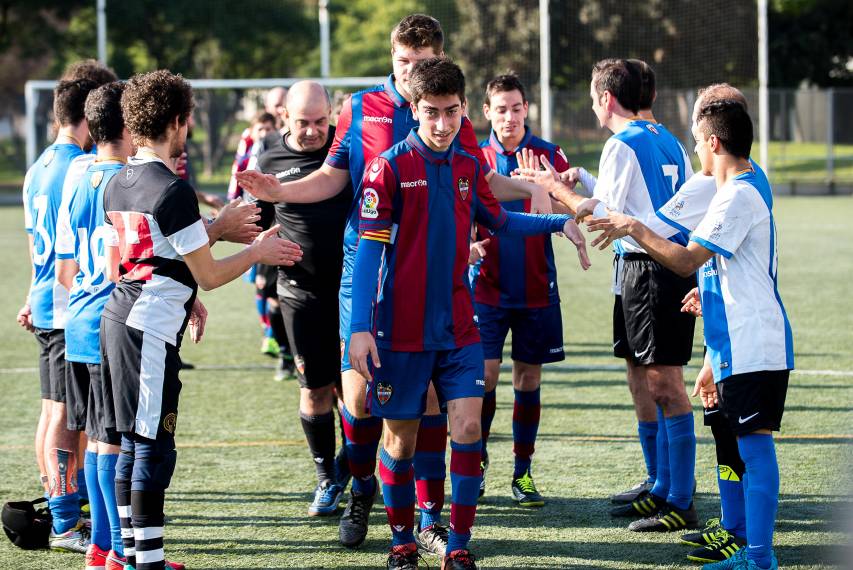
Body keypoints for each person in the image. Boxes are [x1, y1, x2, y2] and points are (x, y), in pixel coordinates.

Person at [237, 14, 554, 554]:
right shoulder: (360, 110)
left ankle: (427, 520)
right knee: (359, 402)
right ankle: (362, 489)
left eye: (422, 63)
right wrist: (280, 192)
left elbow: (477, 182)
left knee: (431, 401)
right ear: (391, 58)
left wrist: (537, 190)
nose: (411, 73)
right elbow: (333, 178)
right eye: (403, 62)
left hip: (433, 281)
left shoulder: (448, 112)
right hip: (369, 272)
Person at [349, 57, 581, 570]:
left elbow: (501, 222)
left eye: (451, 112)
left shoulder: (470, 167)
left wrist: (555, 224)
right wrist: (359, 329)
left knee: (469, 427)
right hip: (400, 330)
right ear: (414, 110)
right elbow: (368, 253)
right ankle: (403, 540)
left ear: (461, 111)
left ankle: (457, 545)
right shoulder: (386, 168)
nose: (442, 124)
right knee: (400, 438)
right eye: (431, 113)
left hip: (459, 326)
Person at [101, 69, 301, 570]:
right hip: (146, 327)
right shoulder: (171, 189)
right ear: (177, 121)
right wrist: (257, 251)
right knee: (151, 449)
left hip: (122, 318)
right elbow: (209, 275)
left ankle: (131, 555)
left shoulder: (117, 182)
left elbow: (138, 259)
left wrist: (189, 287)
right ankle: (145, 561)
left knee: (132, 442)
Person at [587, 99, 793, 570]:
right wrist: (711, 314)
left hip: (754, 342)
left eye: (699, 142)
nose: (696, 149)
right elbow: (731, 264)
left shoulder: (738, 193)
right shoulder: (733, 185)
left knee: (755, 449)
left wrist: (633, 225)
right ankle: (745, 544)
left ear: (715, 143)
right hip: (732, 342)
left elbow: (684, 260)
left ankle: (759, 557)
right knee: (743, 446)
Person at [473, 73, 589, 507]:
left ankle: (522, 472)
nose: (509, 116)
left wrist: (550, 190)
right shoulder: (474, 154)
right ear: (486, 112)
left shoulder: (547, 154)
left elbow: (571, 212)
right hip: (485, 287)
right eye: (500, 109)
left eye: (516, 108)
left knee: (528, 378)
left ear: (527, 109)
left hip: (536, 287)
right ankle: (476, 462)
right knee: (483, 378)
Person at [253, 81, 353, 515]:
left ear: (331, 114)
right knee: (315, 390)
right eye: (302, 123)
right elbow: (260, 223)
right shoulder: (268, 154)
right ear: (284, 120)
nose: (312, 131)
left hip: (353, 290)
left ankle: (359, 468)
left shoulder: (349, 148)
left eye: (319, 121)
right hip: (299, 292)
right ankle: (326, 478)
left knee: (357, 393)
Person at [17, 76, 104, 553]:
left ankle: (65, 506)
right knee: (68, 418)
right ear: (88, 117)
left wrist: (34, 294)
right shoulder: (82, 167)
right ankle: (65, 521)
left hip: (46, 300)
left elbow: (37, 247)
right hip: (69, 309)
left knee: (54, 413)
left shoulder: (37, 168)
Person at [227, 112, 276, 201]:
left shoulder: (280, 154)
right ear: (252, 132)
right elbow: (236, 185)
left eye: (268, 129)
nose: (264, 134)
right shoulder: (244, 159)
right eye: (260, 130)